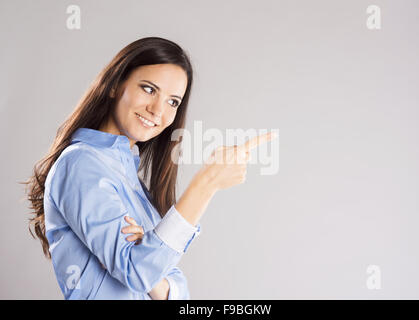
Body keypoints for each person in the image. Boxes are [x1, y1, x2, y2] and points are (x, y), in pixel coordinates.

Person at [23, 36, 276, 300]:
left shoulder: (128, 176)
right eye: (149, 89)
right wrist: (207, 182)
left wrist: (152, 268)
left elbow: (177, 290)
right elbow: (137, 271)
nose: (157, 110)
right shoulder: (80, 164)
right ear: (114, 85)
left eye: (173, 102)